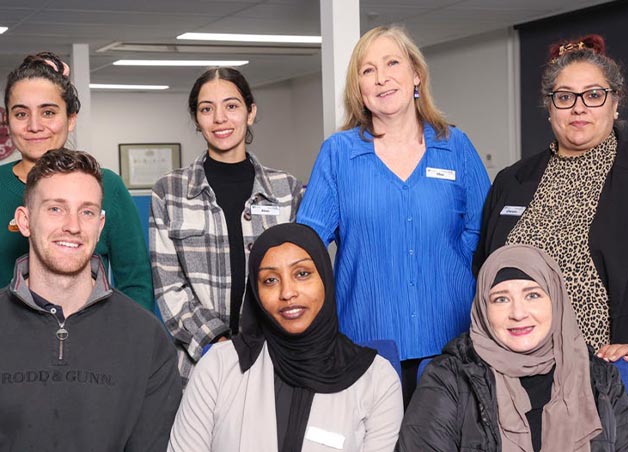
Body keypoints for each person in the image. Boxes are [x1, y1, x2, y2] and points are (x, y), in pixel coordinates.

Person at [296, 24, 490, 404]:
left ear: (416, 74)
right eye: (367, 70)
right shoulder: (339, 153)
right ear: (359, 88)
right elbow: (308, 245)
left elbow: (483, 231)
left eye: (391, 63)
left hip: (450, 340)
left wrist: (447, 269)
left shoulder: (455, 145)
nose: (381, 78)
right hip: (367, 343)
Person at [0, 148, 182, 450]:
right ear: (25, 221)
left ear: (99, 226)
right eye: (55, 209)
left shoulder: (147, 339)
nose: (73, 225)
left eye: (86, 211)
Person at [168, 223, 403, 451]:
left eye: (302, 274)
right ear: (256, 293)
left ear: (325, 279)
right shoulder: (217, 367)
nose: (287, 292)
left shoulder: (378, 380)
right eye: (270, 280)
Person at [473, 34, 628, 363]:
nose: (578, 108)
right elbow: (485, 270)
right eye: (564, 97)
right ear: (549, 106)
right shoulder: (511, 181)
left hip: (604, 370)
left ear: (615, 103)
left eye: (594, 95)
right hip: (515, 368)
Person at [150, 67, 303, 384]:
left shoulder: (287, 190)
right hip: (200, 365)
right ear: (197, 118)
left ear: (250, 112)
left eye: (232, 106)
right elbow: (169, 288)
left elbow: (301, 279)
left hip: (276, 359)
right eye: (207, 109)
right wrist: (217, 343)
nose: (220, 118)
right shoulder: (170, 192)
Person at [398, 244, 628, 451]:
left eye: (533, 295)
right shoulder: (449, 377)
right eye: (501, 299)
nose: (518, 313)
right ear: (483, 309)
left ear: (556, 301)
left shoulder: (600, 377)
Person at [1, 51, 154, 310]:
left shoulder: (108, 188)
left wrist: (128, 344)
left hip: (91, 340)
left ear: (71, 118)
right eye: (21, 114)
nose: (34, 126)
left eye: (48, 112)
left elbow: (135, 283)